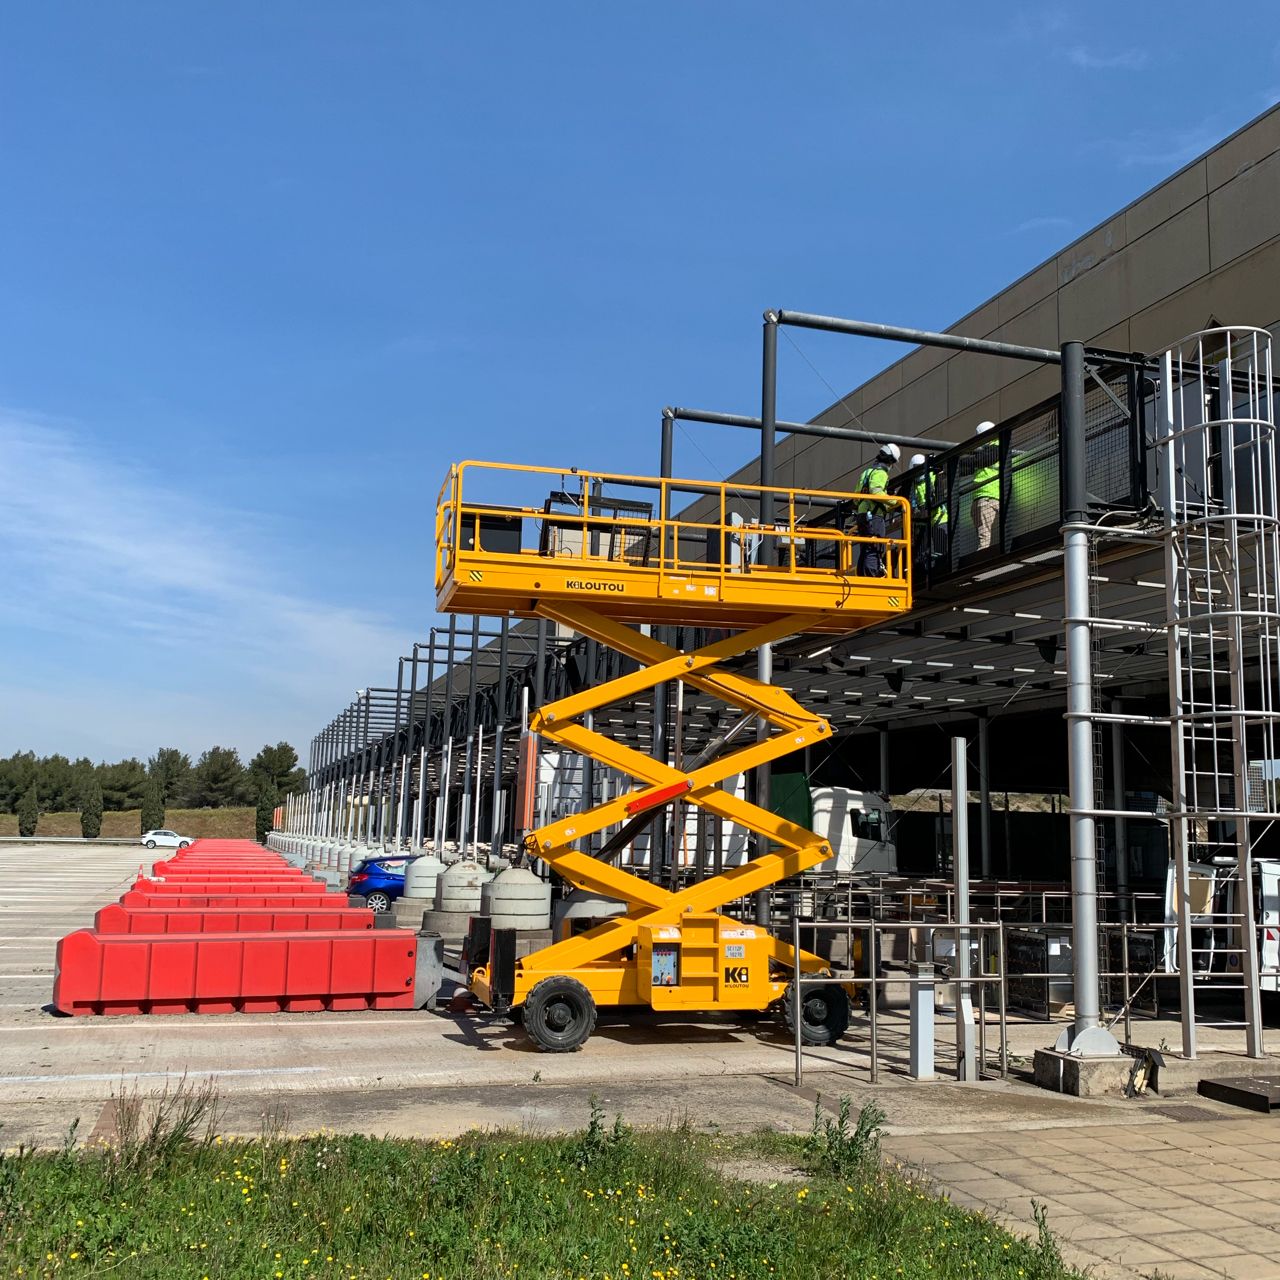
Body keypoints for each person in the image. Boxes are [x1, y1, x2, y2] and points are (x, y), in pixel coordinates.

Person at [852, 443, 900, 576]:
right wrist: (895, 501)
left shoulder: (866, 473)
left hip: (862, 515)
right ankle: (871, 575)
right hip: (873, 516)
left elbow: (856, 497)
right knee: (874, 547)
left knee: (866, 547)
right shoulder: (881, 473)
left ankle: (863, 575)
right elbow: (875, 491)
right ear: (890, 460)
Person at [909, 452, 948, 567]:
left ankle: (941, 568)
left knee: (940, 549)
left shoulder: (934, 476)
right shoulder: (913, 485)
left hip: (939, 517)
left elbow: (939, 496)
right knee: (921, 550)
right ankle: (922, 569)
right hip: (924, 520)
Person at [971, 420, 1000, 551]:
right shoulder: (983, 451)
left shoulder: (995, 448)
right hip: (985, 496)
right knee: (984, 531)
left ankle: (982, 555)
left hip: (988, 496)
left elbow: (983, 460)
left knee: (984, 534)